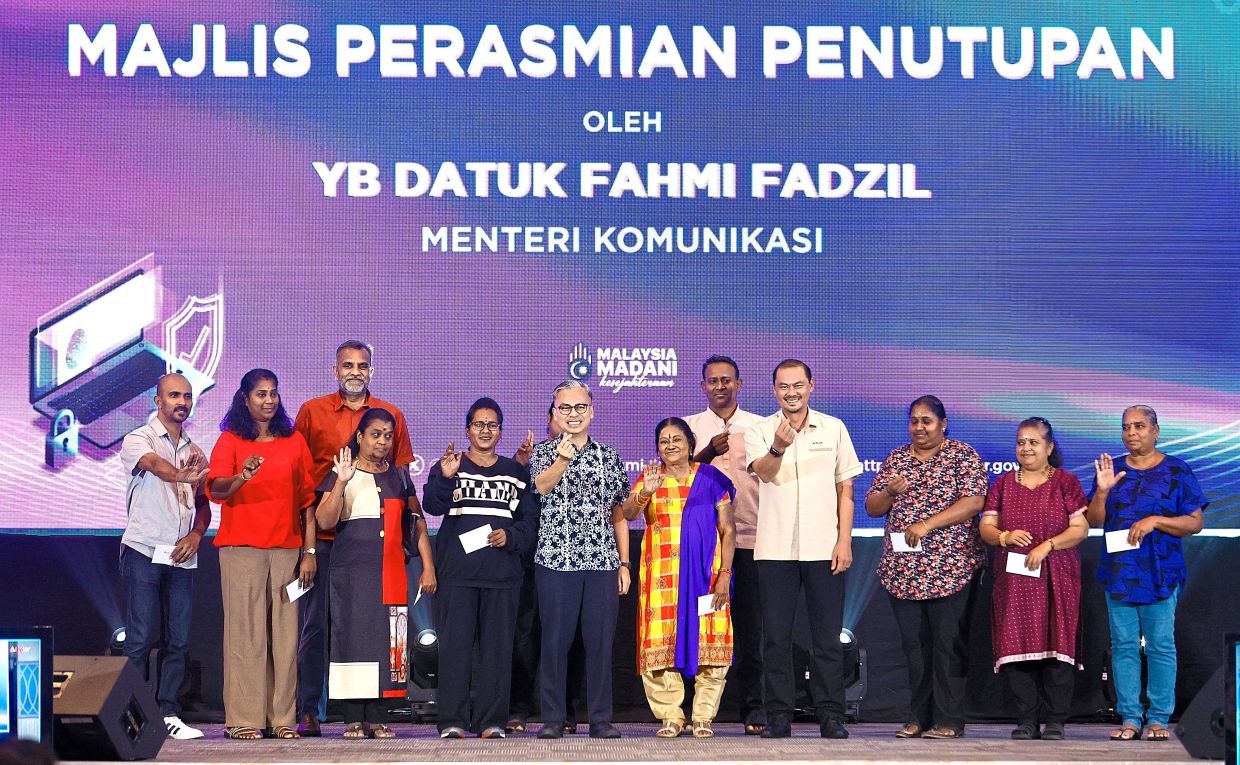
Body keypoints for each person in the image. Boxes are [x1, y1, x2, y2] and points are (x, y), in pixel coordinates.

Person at [292, 340, 428, 735]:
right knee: (320, 627)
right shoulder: (312, 411)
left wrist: (421, 552)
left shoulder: (392, 416)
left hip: (378, 546)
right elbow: (304, 484)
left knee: (383, 629)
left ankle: (377, 713)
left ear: (371, 371)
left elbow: (404, 484)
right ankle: (310, 710)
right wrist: (309, 547)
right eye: (348, 365)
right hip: (324, 534)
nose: (355, 371)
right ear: (335, 370)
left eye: (362, 365)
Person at [744, 359, 862, 739]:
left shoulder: (834, 428)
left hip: (823, 546)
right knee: (776, 638)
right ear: (774, 389)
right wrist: (778, 446)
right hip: (775, 548)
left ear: (812, 385)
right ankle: (778, 714)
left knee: (826, 638)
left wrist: (844, 540)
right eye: (783, 386)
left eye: (798, 385)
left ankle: (831, 714)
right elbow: (763, 472)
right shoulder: (761, 430)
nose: (791, 392)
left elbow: (846, 489)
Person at [864, 395, 988, 740]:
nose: (919, 427)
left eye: (927, 421)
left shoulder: (962, 455)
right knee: (914, 648)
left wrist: (926, 525)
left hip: (951, 568)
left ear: (943, 424)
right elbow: (873, 507)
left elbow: (974, 501)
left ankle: (948, 719)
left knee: (948, 644)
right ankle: (917, 717)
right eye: (914, 421)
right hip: (904, 571)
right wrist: (889, 491)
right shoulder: (897, 458)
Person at [1086, 405, 1206, 742]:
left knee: (1160, 646)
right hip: (1119, 573)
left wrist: (1155, 521)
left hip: (1160, 573)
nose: (1132, 433)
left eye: (1139, 426)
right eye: (1126, 427)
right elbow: (1094, 521)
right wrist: (1103, 491)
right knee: (1123, 646)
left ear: (1156, 430)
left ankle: (1158, 719)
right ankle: (1129, 718)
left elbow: (1195, 522)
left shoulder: (1177, 470)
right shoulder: (1113, 470)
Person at [207, 369, 316, 740]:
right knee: (246, 636)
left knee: (285, 639)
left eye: (273, 394)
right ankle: (243, 719)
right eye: (260, 395)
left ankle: (282, 719)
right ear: (244, 399)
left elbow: (307, 503)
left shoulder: (293, 441)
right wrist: (243, 476)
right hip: (242, 551)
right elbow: (218, 490)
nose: (268, 401)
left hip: (287, 550)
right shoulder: (230, 440)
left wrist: (309, 551)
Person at [424, 397, 538, 738]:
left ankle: (491, 721)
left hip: (502, 575)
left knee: (497, 652)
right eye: (478, 425)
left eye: (492, 425)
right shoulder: (450, 465)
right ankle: (453, 721)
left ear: (500, 432)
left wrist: (512, 536)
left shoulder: (515, 472)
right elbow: (432, 504)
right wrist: (445, 477)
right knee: (455, 650)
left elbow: (530, 520)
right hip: (457, 573)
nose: (485, 431)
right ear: (467, 430)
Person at [529, 380, 631, 739]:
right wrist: (562, 458)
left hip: (601, 561)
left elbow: (619, 513)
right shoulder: (542, 453)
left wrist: (624, 563)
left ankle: (601, 718)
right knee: (555, 641)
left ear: (592, 410)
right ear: (555, 413)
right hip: (556, 560)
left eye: (580, 408)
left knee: (600, 642)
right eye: (565, 408)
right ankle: (553, 718)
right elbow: (540, 487)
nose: (573, 414)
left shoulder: (610, 457)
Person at [624, 417, 736, 738]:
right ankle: (670, 715)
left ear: (690, 443)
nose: (670, 445)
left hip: (707, 576)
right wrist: (645, 492)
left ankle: (703, 715)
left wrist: (725, 574)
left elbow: (728, 530)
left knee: (710, 643)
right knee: (661, 643)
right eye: (663, 440)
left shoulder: (712, 479)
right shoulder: (649, 478)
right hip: (663, 578)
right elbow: (629, 514)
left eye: (676, 439)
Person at [979, 417, 1088, 741]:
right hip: (1015, 581)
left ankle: (1055, 721)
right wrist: (1004, 536)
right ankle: (1026, 720)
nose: (1026, 448)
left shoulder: (1065, 483)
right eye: (1021, 442)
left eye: (1033, 442)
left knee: (1057, 647)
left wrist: (1047, 545)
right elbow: (986, 528)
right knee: (1016, 647)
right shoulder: (1002, 484)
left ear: (1049, 447)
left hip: (1058, 576)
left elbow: (1080, 529)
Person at [314, 408, 417, 739]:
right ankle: (354, 718)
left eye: (388, 435)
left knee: (388, 643)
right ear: (359, 437)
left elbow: (414, 524)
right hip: (353, 573)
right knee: (353, 641)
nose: (383, 441)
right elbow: (325, 522)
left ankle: (379, 716)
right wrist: (342, 482)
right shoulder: (342, 471)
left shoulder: (399, 476)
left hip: (390, 571)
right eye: (375, 434)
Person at [118, 373, 211, 740]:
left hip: (180, 553)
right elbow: (155, 465)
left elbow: (203, 506)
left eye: (187, 396)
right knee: (140, 637)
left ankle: (168, 712)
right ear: (158, 401)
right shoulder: (138, 438)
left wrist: (196, 534)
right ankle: (130, 714)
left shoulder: (194, 449)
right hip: (144, 547)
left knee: (179, 639)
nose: (182, 402)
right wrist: (181, 475)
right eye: (174, 395)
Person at [682, 355, 766, 734]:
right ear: (703, 386)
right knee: (696, 626)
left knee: (751, 628)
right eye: (713, 381)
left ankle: (754, 709)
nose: (720, 386)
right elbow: (676, 476)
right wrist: (706, 453)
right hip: (701, 545)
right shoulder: (688, 427)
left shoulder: (760, 427)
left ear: (739, 384)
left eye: (727, 380)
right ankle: (691, 711)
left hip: (751, 538)